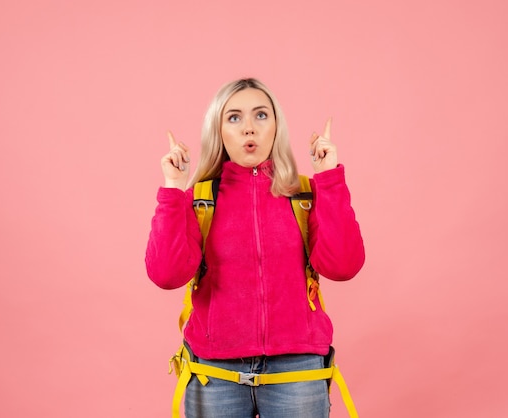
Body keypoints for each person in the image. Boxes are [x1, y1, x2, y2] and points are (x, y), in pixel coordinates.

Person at [145, 78, 365, 418]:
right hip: (214, 375)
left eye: (261, 115)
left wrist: (329, 177)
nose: (249, 128)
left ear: (276, 126)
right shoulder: (200, 201)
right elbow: (166, 275)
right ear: (218, 131)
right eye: (234, 118)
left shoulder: (304, 196)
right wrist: (174, 189)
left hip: (298, 370)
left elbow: (343, 266)